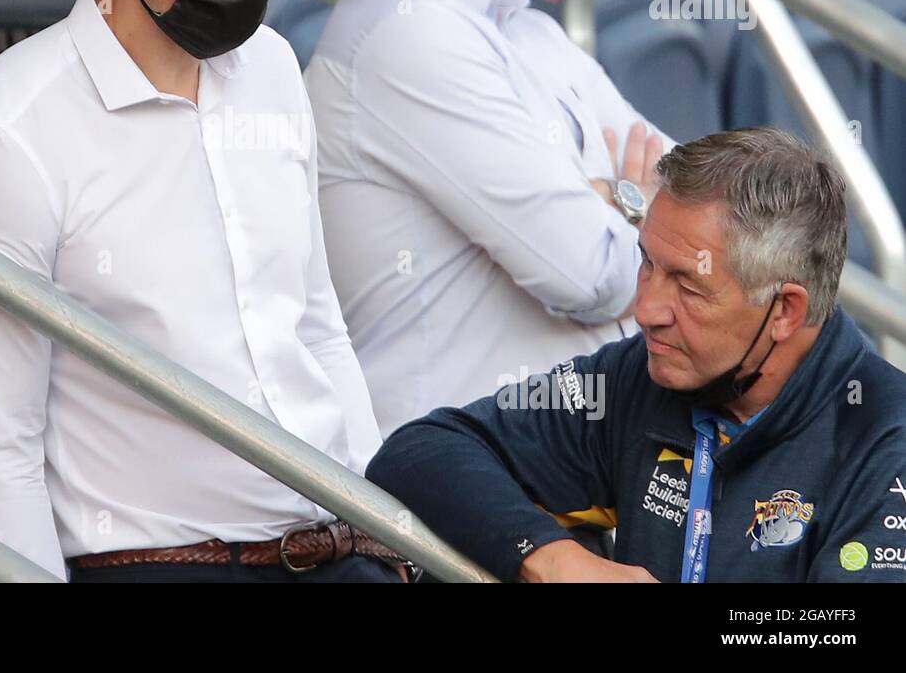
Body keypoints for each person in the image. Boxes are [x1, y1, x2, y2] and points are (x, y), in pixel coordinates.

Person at [0, 0, 403, 583]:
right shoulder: (4, 136)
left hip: (339, 548)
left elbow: (315, 325)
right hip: (159, 563)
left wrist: (384, 528)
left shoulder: (275, 66)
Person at [305, 0, 672, 438]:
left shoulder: (525, 29)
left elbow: (709, 216)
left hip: (562, 482)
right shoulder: (403, 34)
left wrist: (610, 206)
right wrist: (633, 197)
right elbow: (588, 272)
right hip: (455, 508)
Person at [367, 128, 906, 583]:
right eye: (647, 264)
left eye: (688, 288)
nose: (646, 308)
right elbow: (420, 452)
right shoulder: (643, 375)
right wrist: (556, 560)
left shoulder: (886, 438)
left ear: (785, 310)